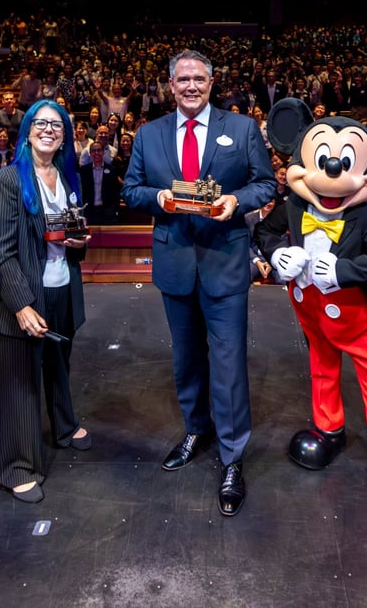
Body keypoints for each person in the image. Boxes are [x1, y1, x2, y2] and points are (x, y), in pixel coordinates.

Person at [121, 49, 275, 517]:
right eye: (182, 79)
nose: (191, 86)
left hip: (225, 262)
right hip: (174, 264)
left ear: (212, 83)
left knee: (228, 364)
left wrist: (235, 200)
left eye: (199, 79)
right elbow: (130, 190)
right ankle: (196, 428)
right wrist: (159, 198)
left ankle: (231, 457)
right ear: (171, 85)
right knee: (186, 359)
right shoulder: (149, 134)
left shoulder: (242, 128)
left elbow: (265, 184)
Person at [0, 100, 92, 504]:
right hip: (22, 295)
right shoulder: (8, 179)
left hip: (61, 287)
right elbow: (2, 250)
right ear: (27, 130)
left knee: (57, 366)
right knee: (19, 383)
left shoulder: (67, 176)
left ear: (65, 133)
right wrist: (21, 304)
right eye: (40, 123)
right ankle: (17, 467)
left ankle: (63, 427)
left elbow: (69, 234)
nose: (49, 129)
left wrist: (78, 244)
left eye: (57, 124)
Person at [79, 141, 121, 226]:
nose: (96, 153)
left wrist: (114, 209)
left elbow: (116, 192)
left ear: (103, 152)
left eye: (99, 150)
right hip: (89, 213)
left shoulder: (112, 170)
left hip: (107, 213)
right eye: (93, 151)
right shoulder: (83, 171)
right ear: (90, 153)